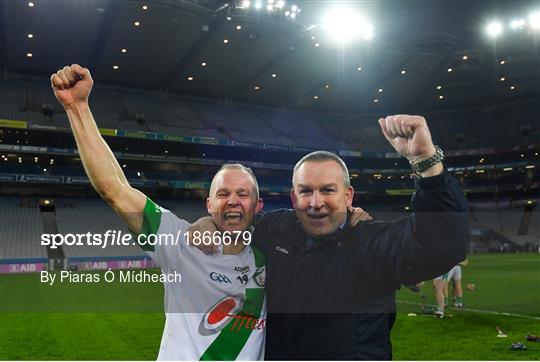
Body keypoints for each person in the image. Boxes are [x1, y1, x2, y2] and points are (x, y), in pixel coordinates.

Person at [193, 115, 470, 359]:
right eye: (305, 191)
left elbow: (443, 245)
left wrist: (427, 166)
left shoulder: (370, 242)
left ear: (347, 196)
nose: (315, 203)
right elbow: (234, 221)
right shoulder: (275, 229)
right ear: (293, 197)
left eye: (327, 190)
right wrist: (207, 222)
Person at [51, 64, 268, 360]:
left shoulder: (276, 257)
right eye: (222, 194)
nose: (232, 200)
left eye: (242, 194)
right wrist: (77, 108)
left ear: (258, 206)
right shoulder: (181, 243)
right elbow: (115, 190)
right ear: (209, 204)